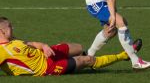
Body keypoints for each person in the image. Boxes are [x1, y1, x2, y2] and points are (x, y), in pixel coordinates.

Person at [0, 17, 143, 76]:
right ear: (2, 31)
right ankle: (124, 55)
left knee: (78, 47)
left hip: (49, 53)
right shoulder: (2, 51)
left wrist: (44, 46)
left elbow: (31, 43)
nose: (13, 28)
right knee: (86, 61)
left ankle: (87, 56)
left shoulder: (13, 40)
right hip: (46, 68)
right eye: (10, 27)